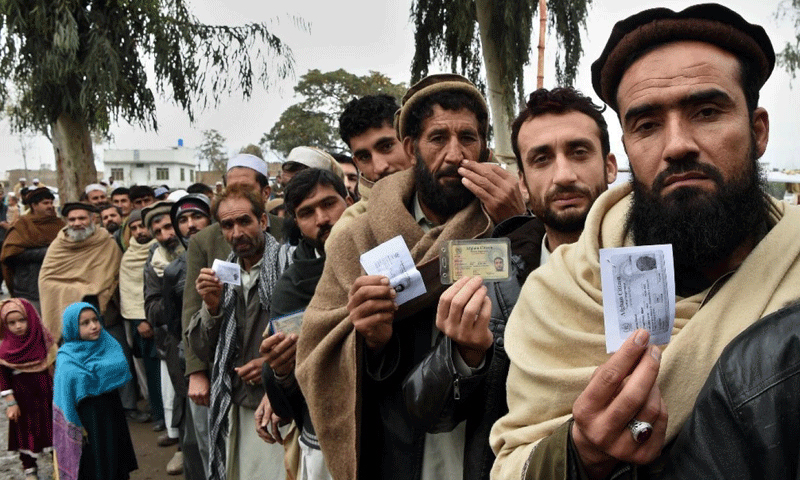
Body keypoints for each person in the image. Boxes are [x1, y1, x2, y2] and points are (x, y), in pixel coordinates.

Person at [489, 4, 800, 479]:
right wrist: (580, 452)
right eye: (648, 124)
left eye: (707, 112)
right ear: (628, 146)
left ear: (758, 131)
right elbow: (513, 464)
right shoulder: (557, 295)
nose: (677, 145)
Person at [295, 73, 522, 480]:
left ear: (485, 146)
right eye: (438, 138)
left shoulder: (509, 218)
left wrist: (516, 225)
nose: (455, 155)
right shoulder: (357, 238)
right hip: (398, 450)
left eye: (468, 138)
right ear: (411, 147)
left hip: (487, 445)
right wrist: (374, 341)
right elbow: (321, 345)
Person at [181, 153, 286, 475]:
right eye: (228, 225)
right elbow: (197, 333)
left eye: (245, 222)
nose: (237, 232)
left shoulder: (289, 262)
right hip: (234, 396)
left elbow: (309, 326)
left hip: (282, 395)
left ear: (263, 220)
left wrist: (272, 365)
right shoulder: (219, 269)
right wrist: (212, 307)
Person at [258, 168, 352, 480]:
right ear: (297, 223)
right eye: (307, 213)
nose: (322, 219)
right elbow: (285, 390)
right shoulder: (292, 286)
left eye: (329, 204)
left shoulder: (380, 252)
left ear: (348, 200)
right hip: (324, 433)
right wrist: (281, 372)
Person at [145, 193, 213, 479]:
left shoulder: (232, 255)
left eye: (197, 216)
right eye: (182, 220)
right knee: (202, 439)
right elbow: (175, 326)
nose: (190, 225)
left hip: (237, 361)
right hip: (195, 362)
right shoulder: (173, 270)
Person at [53, 302, 137, 480]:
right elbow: (65, 394)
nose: (93, 326)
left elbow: (119, 367)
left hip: (111, 412)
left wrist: (92, 376)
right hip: (88, 420)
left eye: (95, 320)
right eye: (85, 323)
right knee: (97, 463)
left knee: (116, 459)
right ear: (72, 328)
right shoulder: (66, 357)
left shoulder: (107, 343)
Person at [38, 203, 122, 342]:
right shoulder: (58, 245)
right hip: (69, 316)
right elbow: (45, 280)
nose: (77, 223)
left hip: (105, 316)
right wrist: (78, 290)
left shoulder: (106, 242)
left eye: (82, 218)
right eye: (72, 220)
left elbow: (115, 275)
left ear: (93, 219)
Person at [0, 299, 56, 480]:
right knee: (25, 433)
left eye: (22, 320)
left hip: (48, 396)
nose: (17, 326)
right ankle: (29, 467)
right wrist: (11, 403)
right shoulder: (6, 350)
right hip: (24, 402)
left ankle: (59, 463)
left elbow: (56, 367)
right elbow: (3, 380)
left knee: (53, 430)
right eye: (11, 323)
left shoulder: (43, 342)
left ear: (31, 319)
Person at [1, 187, 64, 312]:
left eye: (51, 203)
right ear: (34, 205)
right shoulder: (22, 225)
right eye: (45, 203)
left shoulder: (59, 224)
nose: (50, 206)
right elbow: (11, 253)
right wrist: (48, 252)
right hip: (30, 289)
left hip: (58, 287)